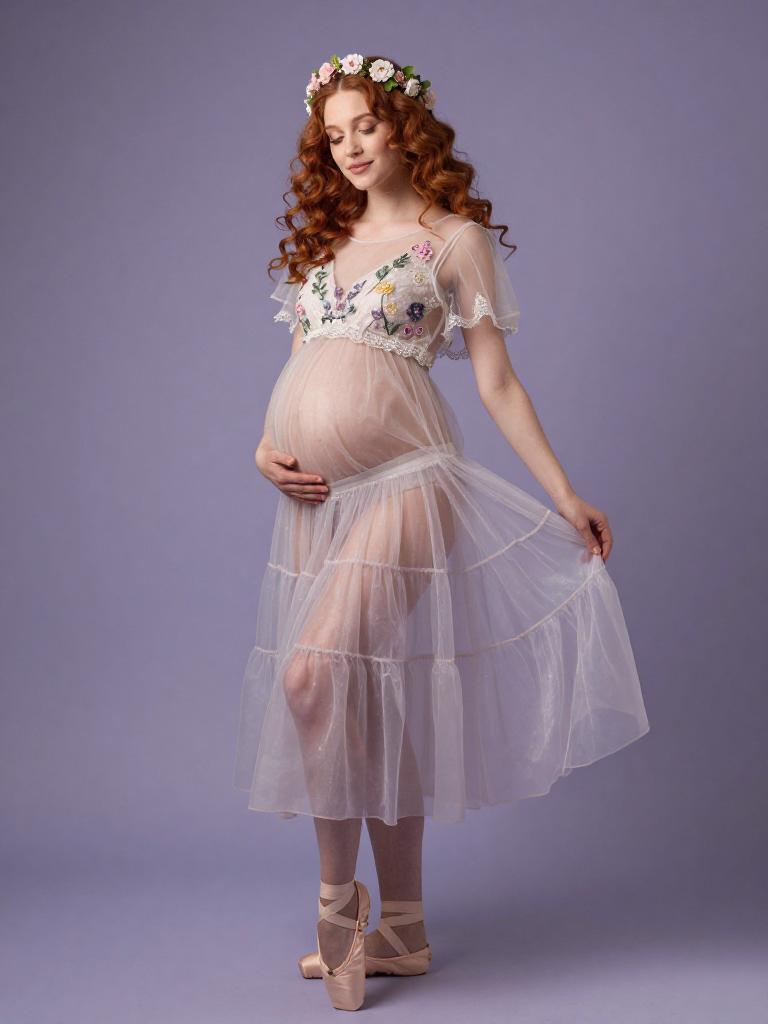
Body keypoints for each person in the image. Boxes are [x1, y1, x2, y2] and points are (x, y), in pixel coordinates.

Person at [233, 53, 650, 1011]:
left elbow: (496, 381)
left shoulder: (450, 241)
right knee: (363, 701)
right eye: (333, 135)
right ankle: (406, 930)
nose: (350, 148)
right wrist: (264, 448)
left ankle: (338, 910)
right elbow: (301, 367)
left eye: (366, 126)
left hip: (408, 483)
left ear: (404, 127)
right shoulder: (323, 245)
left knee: (312, 677)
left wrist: (563, 493)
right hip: (321, 499)